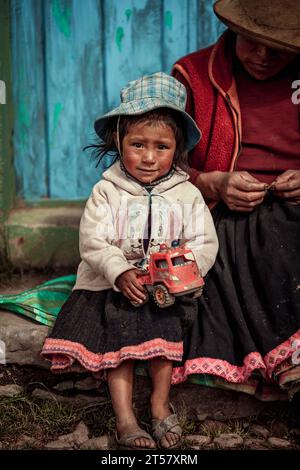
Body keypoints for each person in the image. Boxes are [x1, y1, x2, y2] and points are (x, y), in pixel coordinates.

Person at [41, 72, 218, 449]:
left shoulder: (186, 194)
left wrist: (188, 271)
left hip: (165, 291)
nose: (149, 158)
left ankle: (158, 404)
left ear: (179, 149)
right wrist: (118, 269)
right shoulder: (107, 191)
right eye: (138, 144)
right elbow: (93, 239)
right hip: (110, 288)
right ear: (118, 141)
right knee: (118, 340)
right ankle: (124, 418)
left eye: (161, 147)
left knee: (165, 332)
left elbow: (205, 240)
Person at [172, 0, 300, 400]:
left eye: (277, 47)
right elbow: (155, 166)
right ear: (233, 30)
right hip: (227, 215)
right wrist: (211, 183)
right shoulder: (193, 76)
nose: (263, 56)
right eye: (252, 43)